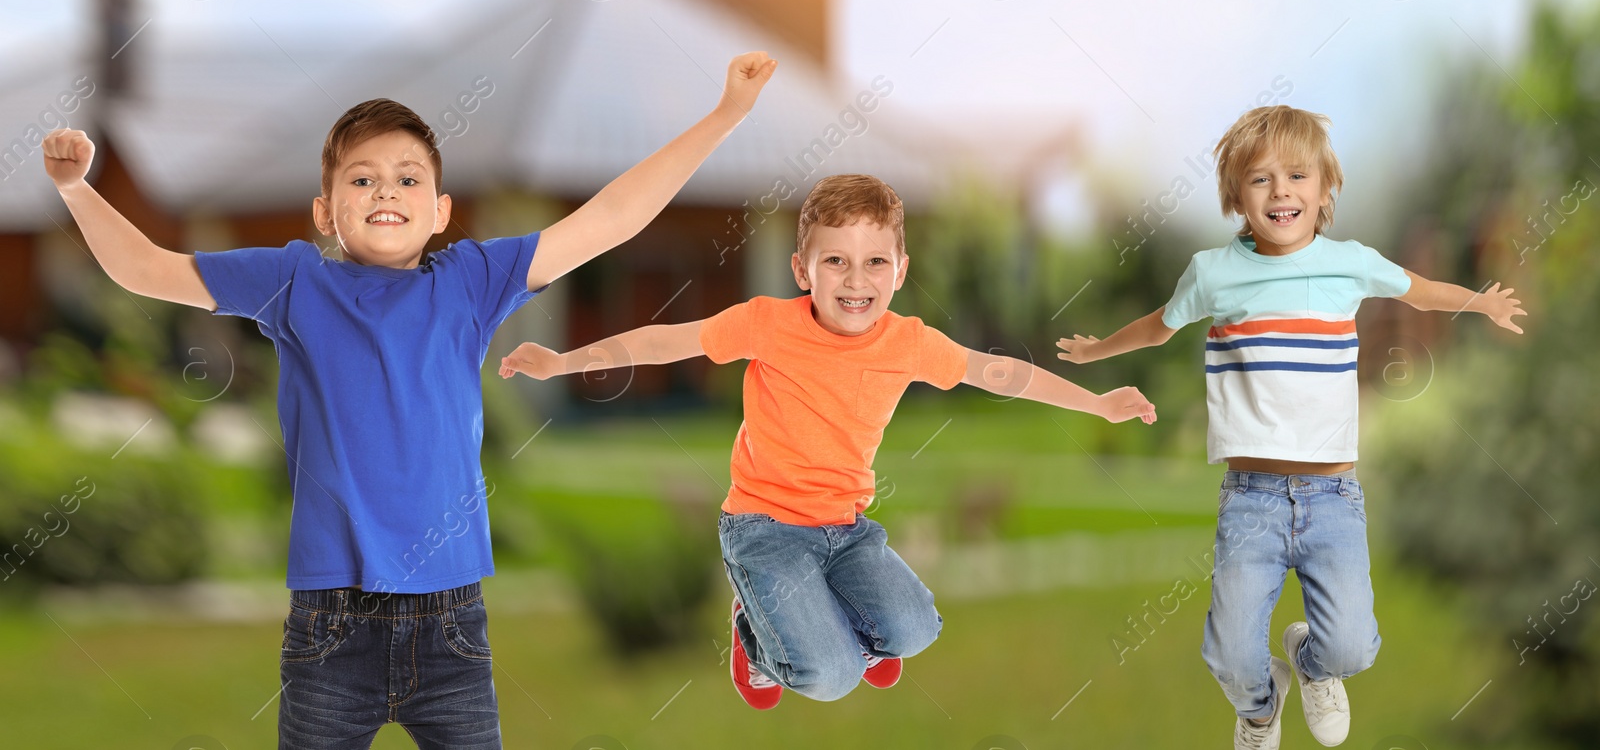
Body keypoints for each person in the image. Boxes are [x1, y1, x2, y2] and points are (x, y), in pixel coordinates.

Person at [39, 50, 777, 750]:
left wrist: (726, 114)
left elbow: (613, 216)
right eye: (361, 180)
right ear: (326, 212)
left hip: (452, 624)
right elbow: (145, 269)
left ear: (440, 209)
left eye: (407, 178)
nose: (385, 190)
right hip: (331, 627)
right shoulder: (295, 282)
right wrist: (77, 189)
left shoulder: (472, 280)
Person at [499, 172, 1157, 709]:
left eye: (875, 261)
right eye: (835, 260)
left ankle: (824, 625)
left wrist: (1097, 402)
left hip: (845, 528)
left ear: (900, 270)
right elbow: (663, 340)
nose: (855, 278)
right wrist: (561, 362)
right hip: (762, 527)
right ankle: (756, 640)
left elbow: (1000, 371)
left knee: (917, 629)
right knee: (833, 676)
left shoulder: (910, 342)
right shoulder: (767, 324)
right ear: (802, 269)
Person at [1057, 105, 1525, 750]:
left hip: (1334, 498)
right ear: (1236, 198)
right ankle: (1258, 708)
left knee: (1353, 648)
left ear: (1325, 189)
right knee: (1229, 655)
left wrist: (1482, 302)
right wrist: (1097, 350)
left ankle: (1309, 662)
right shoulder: (1213, 273)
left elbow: (1417, 291)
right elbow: (1159, 323)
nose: (1281, 191)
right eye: (1261, 179)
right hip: (1250, 497)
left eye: (1298, 175)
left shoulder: (1351, 263)